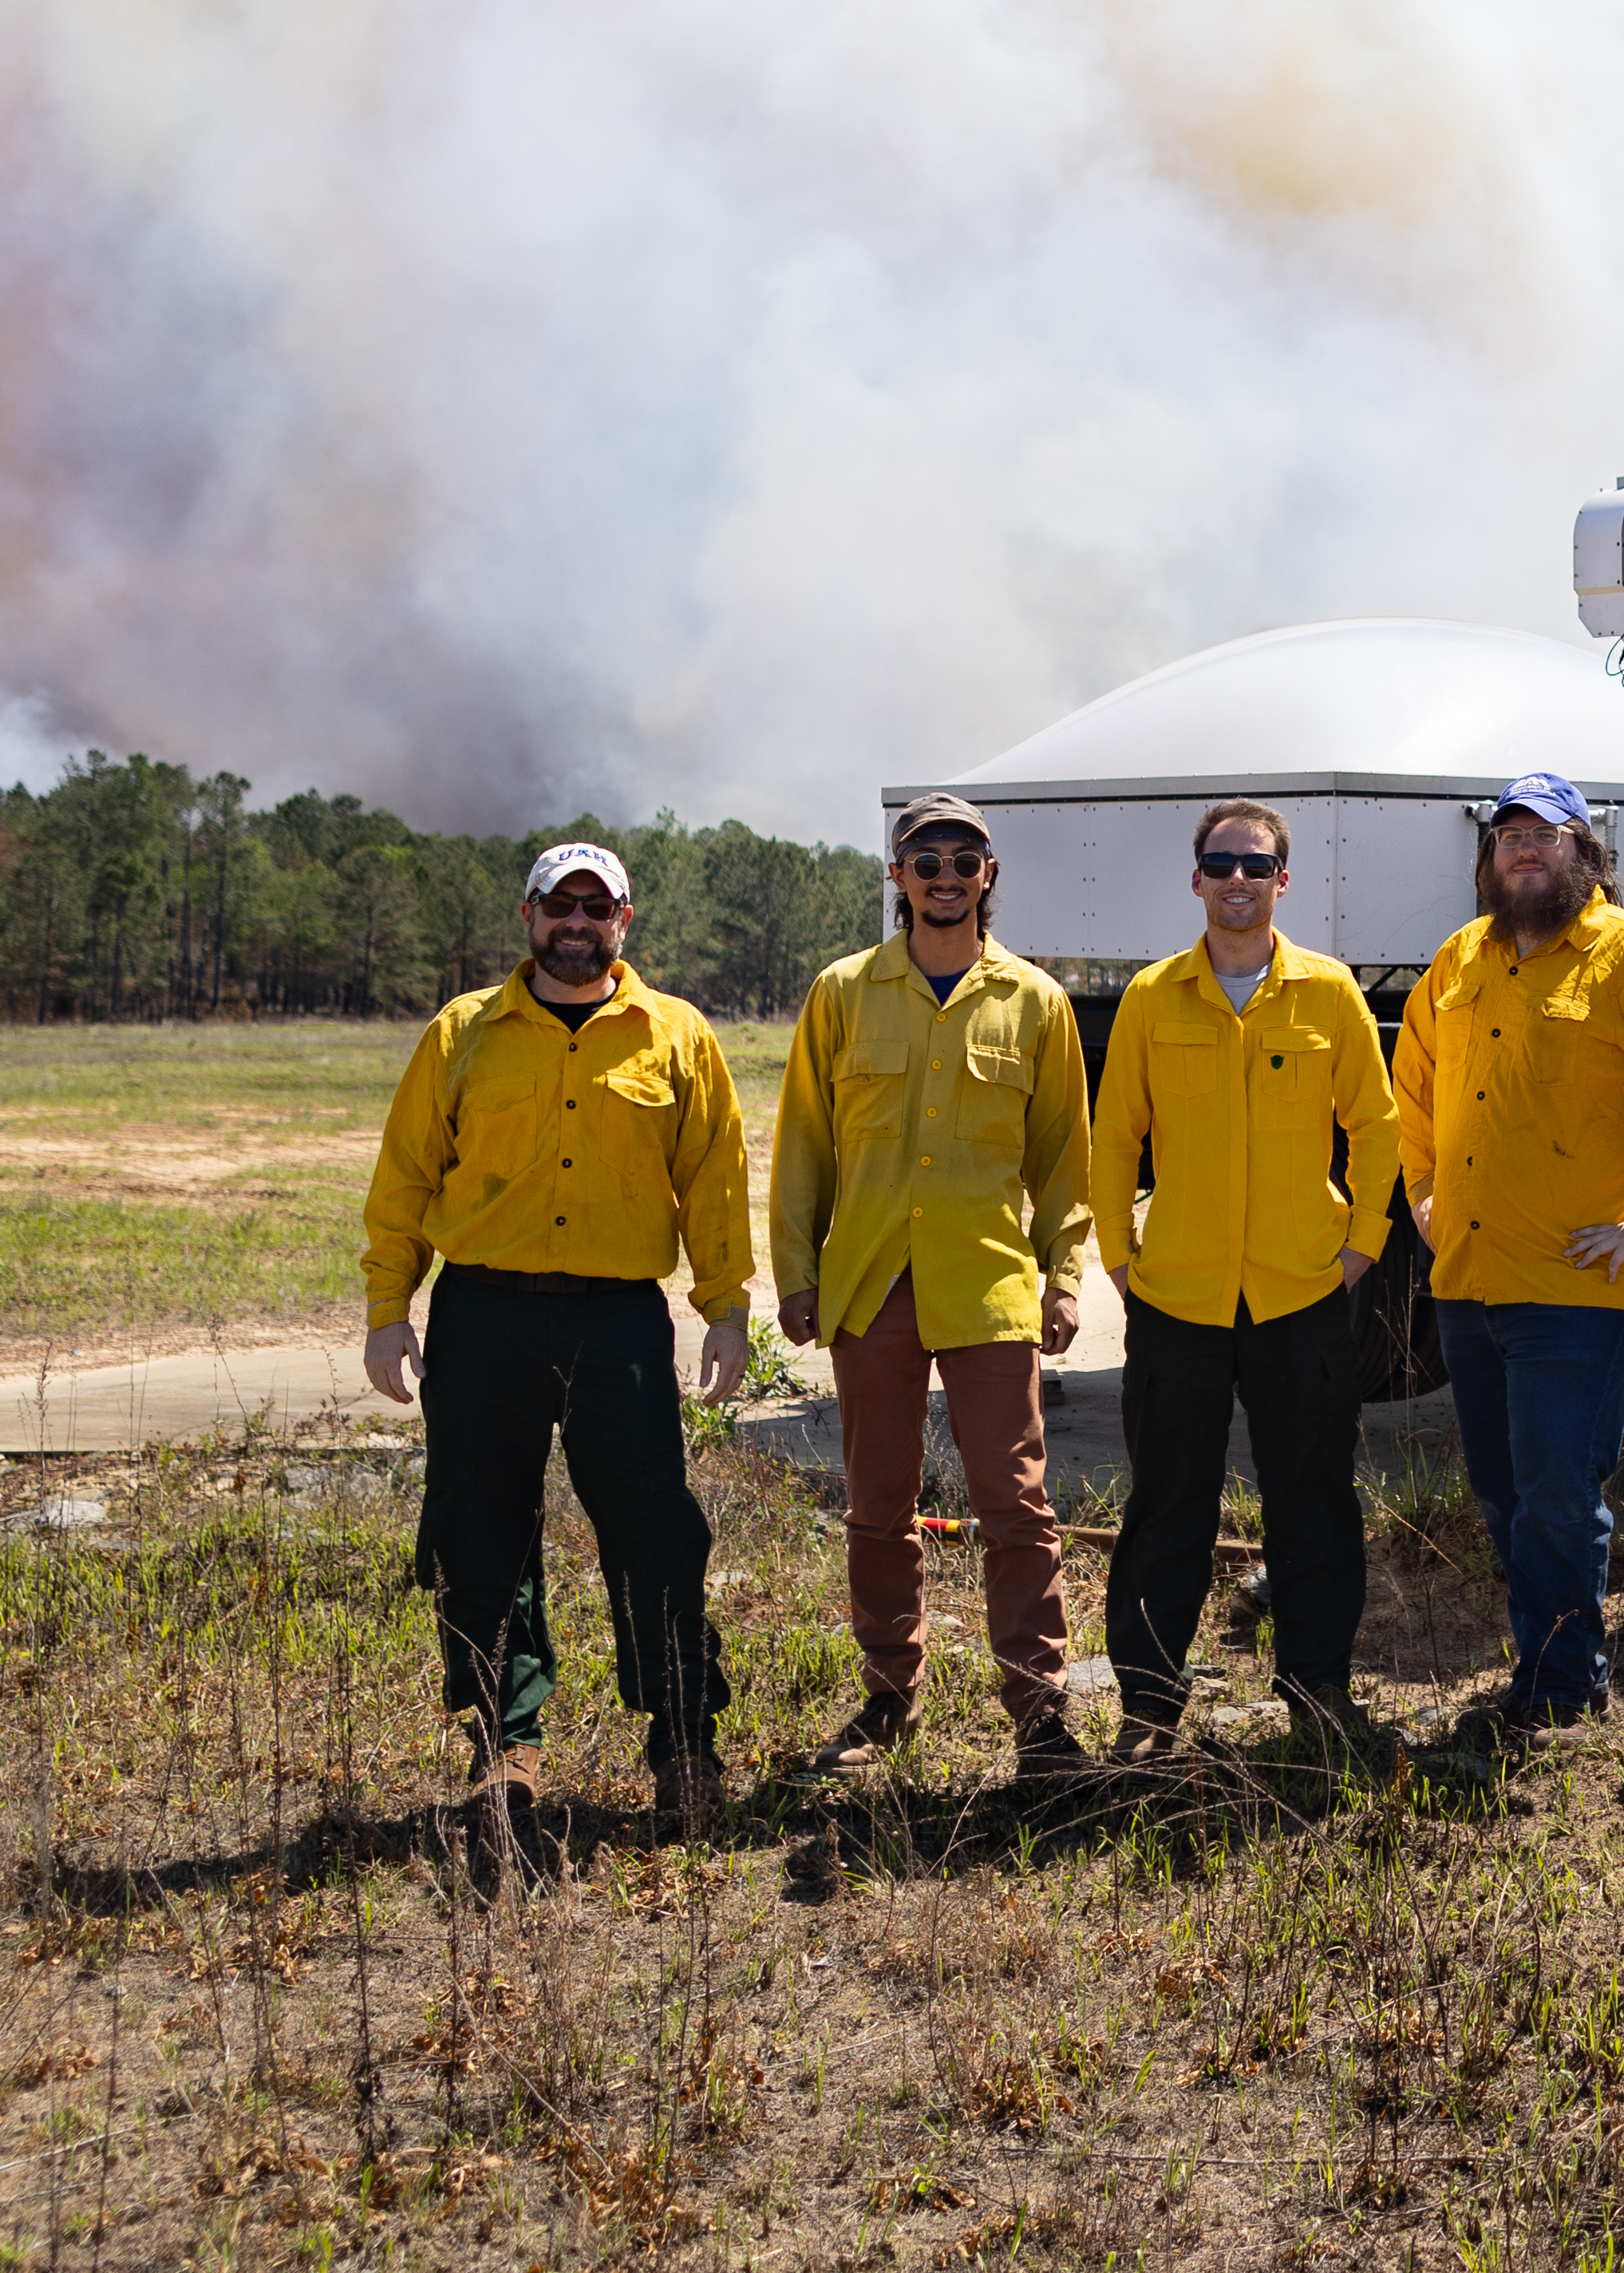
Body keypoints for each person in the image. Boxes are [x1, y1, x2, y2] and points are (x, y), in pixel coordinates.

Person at [360, 840, 757, 1856]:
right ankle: (506, 1743)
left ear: (627, 919)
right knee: (479, 1527)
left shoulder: (677, 1036)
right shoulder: (463, 1033)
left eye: (598, 905)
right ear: (527, 916)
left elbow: (713, 1179)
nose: (577, 921)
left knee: (654, 1528)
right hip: (482, 1314)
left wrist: (725, 1307)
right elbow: (407, 1174)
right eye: (559, 904)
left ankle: (683, 1745)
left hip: (617, 1318)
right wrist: (387, 1306)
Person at [1393, 773, 1624, 1732]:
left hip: (1580, 1285)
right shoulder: (1461, 958)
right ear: (1488, 857)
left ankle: (1556, 1685)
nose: (1525, 849)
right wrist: (1422, 1193)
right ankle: (1560, 1660)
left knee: (1556, 1489)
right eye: (1509, 835)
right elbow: (1409, 1082)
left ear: (1587, 853)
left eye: (1546, 835)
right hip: (1469, 1277)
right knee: (1503, 1488)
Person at [772, 793, 1099, 1778]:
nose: (945, 873)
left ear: (988, 876)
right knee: (878, 1503)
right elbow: (803, 1148)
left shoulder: (1034, 1002)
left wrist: (1065, 1276)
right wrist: (797, 1275)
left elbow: (1064, 1161)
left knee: (1017, 1505)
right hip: (872, 1285)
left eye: (965, 858)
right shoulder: (841, 993)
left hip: (991, 1284)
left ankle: (1040, 1718)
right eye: (927, 858)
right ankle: (886, 1700)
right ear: (896, 875)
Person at [1091, 797, 1402, 1760]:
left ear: (1282, 881)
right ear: (1195, 881)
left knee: (1312, 1497)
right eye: (1220, 865)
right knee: (1167, 1500)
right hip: (1177, 1295)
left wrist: (1361, 1244)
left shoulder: (1330, 993)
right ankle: (1148, 1703)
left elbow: (1379, 1126)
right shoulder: (1152, 995)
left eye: (1255, 865)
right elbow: (1117, 1137)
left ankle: (1316, 1693)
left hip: (1299, 1292)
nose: (1238, 881)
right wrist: (1117, 1256)